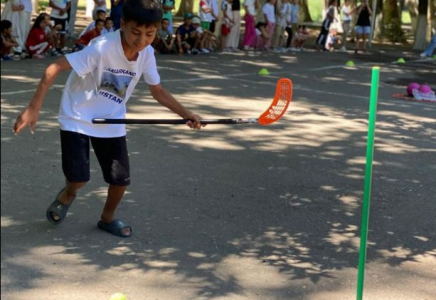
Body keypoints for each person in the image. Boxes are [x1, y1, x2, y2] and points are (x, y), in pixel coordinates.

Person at [13, 0, 204, 239]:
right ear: (122, 24)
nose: (141, 40)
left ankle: (107, 219)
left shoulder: (147, 54)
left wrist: (187, 114)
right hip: (78, 114)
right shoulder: (101, 48)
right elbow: (53, 68)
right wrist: (33, 108)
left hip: (111, 118)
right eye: (136, 32)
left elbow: (158, 91)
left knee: (120, 179)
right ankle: (69, 192)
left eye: (150, 34)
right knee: (78, 177)